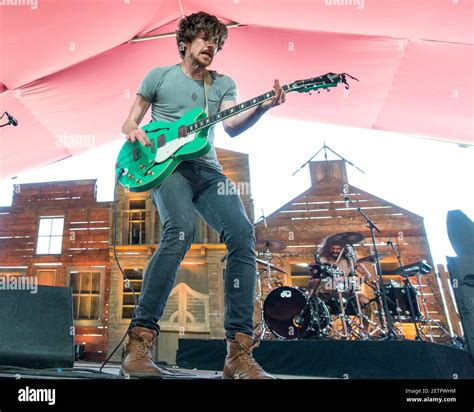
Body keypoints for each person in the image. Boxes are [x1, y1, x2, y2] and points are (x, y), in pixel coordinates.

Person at [120, 11, 285, 379]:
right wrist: (135, 131)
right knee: (180, 231)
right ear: (186, 41)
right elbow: (129, 121)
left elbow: (233, 126)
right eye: (205, 38)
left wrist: (262, 108)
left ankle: (237, 355)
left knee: (243, 235)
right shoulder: (158, 77)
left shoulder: (222, 83)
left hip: (208, 171)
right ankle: (139, 343)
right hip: (167, 167)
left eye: (217, 41)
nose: (212, 45)